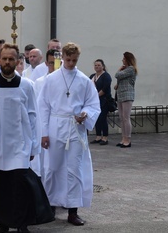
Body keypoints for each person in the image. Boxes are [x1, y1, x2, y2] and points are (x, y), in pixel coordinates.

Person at [0, 43, 54, 233]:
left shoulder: (27, 85)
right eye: (5, 58)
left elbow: (34, 117)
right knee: (0, 186)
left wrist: (34, 147)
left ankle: (21, 223)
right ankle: (2, 222)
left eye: (11, 59)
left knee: (20, 186)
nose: (8, 62)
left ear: (18, 61)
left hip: (20, 144)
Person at [37, 42, 100, 226]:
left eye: (74, 60)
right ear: (62, 57)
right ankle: (50, 207)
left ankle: (73, 211)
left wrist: (85, 114)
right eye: (68, 59)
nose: (71, 63)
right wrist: (44, 133)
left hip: (75, 127)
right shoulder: (51, 79)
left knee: (74, 168)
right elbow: (43, 106)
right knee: (53, 167)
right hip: (55, 126)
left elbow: (93, 104)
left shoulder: (83, 80)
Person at [114, 52, 138, 148]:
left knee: (126, 118)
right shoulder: (126, 70)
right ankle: (123, 138)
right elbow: (120, 78)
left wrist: (119, 69)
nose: (122, 60)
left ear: (128, 59)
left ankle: (128, 139)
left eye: (123, 59)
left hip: (127, 95)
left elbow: (117, 75)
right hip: (120, 95)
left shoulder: (131, 69)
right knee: (121, 117)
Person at [89, 59, 112, 145]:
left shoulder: (106, 76)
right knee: (96, 119)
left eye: (99, 65)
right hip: (95, 102)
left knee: (103, 118)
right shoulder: (92, 76)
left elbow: (105, 89)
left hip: (104, 101)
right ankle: (98, 136)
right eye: (95, 65)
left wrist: (96, 96)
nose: (97, 67)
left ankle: (105, 137)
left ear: (103, 66)